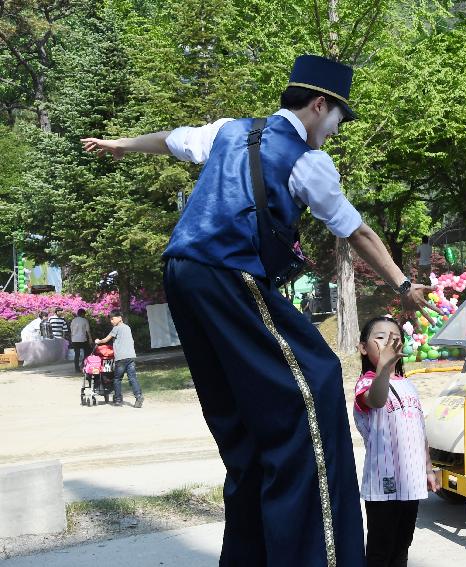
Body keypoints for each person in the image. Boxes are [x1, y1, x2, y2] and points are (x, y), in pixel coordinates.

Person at [81, 55, 436, 566]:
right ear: (319, 105)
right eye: (339, 118)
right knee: (315, 381)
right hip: (228, 272)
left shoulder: (230, 131)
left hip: (181, 274)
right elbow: (357, 231)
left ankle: (251, 552)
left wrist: (122, 144)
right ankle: (317, 555)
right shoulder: (308, 161)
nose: (336, 132)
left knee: (244, 422)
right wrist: (404, 285)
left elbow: (172, 139)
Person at [353, 317, 439, 567]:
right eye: (380, 337)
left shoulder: (409, 385)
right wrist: (384, 368)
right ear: (363, 347)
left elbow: (419, 431)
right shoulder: (367, 382)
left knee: (403, 545)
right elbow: (377, 400)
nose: (389, 341)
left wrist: (428, 468)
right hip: (383, 483)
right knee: (381, 549)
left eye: (395, 337)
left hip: (410, 481)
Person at [95, 309, 143, 408]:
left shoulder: (116, 328)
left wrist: (98, 341)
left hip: (121, 358)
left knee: (117, 379)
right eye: (110, 320)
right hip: (131, 357)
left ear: (120, 318)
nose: (111, 321)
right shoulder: (127, 328)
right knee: (132, 378)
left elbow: (106, 339)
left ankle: (117, 399)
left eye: (113, 319)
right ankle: (138, 396)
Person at [70, 308, 94, 373]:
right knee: (88, 352)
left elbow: (71, 330)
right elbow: (88, 331)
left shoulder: (73, 320)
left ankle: (76, 368)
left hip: (74, 339)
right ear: (83, 314)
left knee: (77, 354)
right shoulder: (84, 320)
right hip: (82, 339)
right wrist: (90, 339)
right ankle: (83, 364)